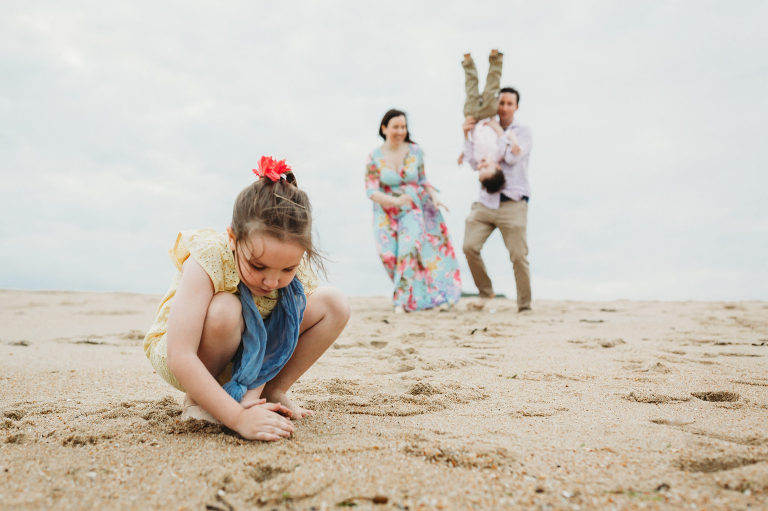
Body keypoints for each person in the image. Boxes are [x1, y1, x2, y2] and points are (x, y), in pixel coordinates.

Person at [143, 156, 350, 441]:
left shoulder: (292, 269)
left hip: (250, 353)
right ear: (232, 238)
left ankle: (271, 391)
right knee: (226, 309)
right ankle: (199, 399)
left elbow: (284, 329)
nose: (272, 281)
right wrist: (238, 418)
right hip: (189, 354)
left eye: (287, 269)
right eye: (258, 266)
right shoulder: (209, 257)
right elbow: (181, 355)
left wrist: (254, 396)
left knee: (334, 304)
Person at [365, 109, 461, 313]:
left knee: (409, 250)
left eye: (403, 127)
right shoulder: (374, 156)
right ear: (384, 128)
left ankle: (401, 302)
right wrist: (396, 201)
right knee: (390, 255)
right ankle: (415, 297)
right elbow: (371, 191)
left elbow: (423, 180)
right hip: (386, 211)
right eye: (396, 127)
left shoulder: (415, 151)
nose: (401, 131)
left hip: (413, 207)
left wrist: (435, 198)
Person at [461, 87, 533, 312]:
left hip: (513, 201)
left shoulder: (523, 132)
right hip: (485, 201)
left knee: (518, 256)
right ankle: (485, 291)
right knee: (469, 246)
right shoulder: (483, 129)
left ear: (516, 107)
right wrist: (467, 135)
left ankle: (524, 305)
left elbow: (512, 157)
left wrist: (500, 133)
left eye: (509, 103)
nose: (504, 107)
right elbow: (474, 163)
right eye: (501, 103)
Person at [459, 49, 507, 193]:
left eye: (480, 170)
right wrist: (495, 125)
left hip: (472, 117)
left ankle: (468, 62)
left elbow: (468, 147)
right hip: (488, 114)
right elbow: (505, 137)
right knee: (491, 87)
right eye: (486, 167)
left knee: (471, 90)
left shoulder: (476, 161)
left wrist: (465, 136)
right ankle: (495, 59)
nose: (481, 166)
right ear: (498, 167)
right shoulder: (500, 154)